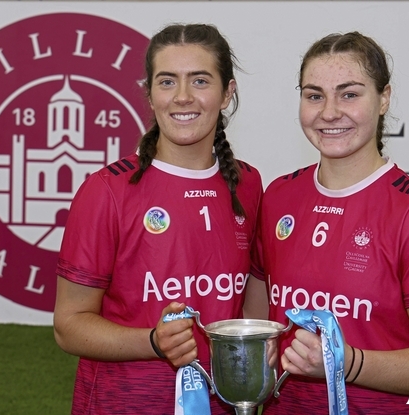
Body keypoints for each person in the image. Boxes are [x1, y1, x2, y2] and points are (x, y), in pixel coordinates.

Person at [53, 23, 268, 415]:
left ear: (227, 94)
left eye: (200, 81)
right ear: (150, 94)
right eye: (167, 82)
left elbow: (253, 309)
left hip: (224, 403)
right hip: (123, 404)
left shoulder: (249, 184)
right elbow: (69, 325)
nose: (182, 97)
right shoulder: (106, 190)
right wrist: (153, 341)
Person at [253, 32, 409, 414]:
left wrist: (344, 362)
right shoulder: (278, 197)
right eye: (314, 95)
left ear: (383, 99)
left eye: (349, 94)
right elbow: (260, 315)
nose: (330, 112)